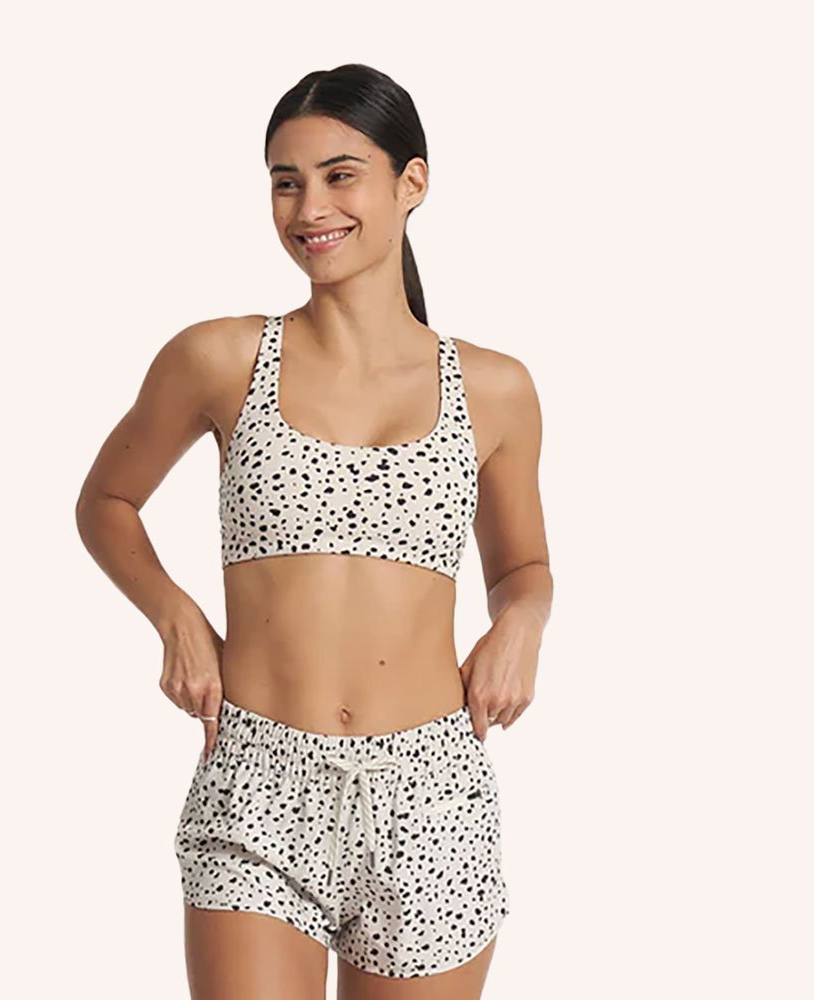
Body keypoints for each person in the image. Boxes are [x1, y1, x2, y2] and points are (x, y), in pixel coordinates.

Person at [76, 63, 552, 999]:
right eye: (285, 182)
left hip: (430, 790)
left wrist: (523, 623)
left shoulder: (495, 388)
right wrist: (175, 616)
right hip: (258, 779)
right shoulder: (220, 358)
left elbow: (523, 564)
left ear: (412, 183)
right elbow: (106, 501)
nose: (309, 208)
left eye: (341, 176)